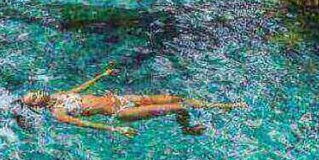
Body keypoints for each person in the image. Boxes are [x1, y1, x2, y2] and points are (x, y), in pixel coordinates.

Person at [18, 67, 246, 137]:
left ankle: (217, 106)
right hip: (119, 113)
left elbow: (80, 90)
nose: (38, 93)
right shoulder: (57, 112)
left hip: (119, 98)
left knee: (176, 98)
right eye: (34, 97)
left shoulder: (59, 95)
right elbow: (86, 124)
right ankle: (187, 128)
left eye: (35, 91)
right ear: (36, 106)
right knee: (177, 107)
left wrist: (101, 76)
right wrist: (116, 128)